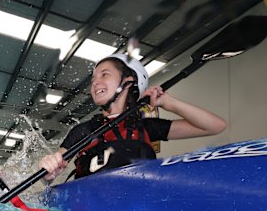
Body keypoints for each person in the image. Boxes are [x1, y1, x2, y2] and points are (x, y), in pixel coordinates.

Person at [39, 53, 227, 182]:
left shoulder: (145, 127)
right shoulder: (83, 131)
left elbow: (215, 126)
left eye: (104, 74)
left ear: (128, 82)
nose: (95, 82)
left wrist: (171, 104)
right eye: (93, 79)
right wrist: (48, 172)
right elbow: (51, 175)